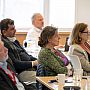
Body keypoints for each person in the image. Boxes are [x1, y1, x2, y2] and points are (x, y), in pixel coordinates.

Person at [0, 18, 38, 84]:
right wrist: (33, 63)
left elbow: (27, 55)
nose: (15, 30)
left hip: (29, 68)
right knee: (44, 76)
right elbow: (15, 64)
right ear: (4, 32)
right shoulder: (5, 44)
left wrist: (38, 61)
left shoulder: (14, 41)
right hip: (22, 72)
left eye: (14, 28)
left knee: (47, 71)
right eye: (12, 29)